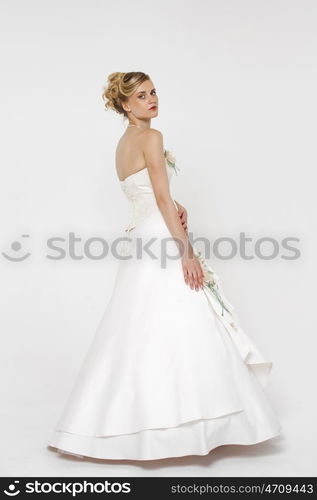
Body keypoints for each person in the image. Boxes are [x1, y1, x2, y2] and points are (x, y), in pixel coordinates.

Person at [47, 71, 282, 461]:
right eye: (141, 96)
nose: (152, 99)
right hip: (161, 240)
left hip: (141, 237)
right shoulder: (152, 137)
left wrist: (175, 204)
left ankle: (109, 424)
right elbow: (157, 193)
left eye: (153, 92)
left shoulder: (124, 143)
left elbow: (146, 195)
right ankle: (193, 424)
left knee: (137, 325)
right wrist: (186, 251)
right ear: (125, 104)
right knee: (180, 320)